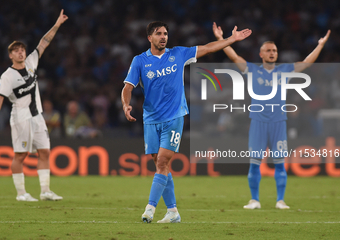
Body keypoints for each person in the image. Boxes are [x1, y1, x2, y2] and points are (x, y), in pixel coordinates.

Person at [121, 21, 252, 223]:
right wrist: (126, 105)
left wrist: (231, 40)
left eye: (165, 33)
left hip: (174, 116)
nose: (163, 37)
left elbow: (208, 48)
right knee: (159, 165)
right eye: (159, 34)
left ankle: (150, 209)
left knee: (163, 162)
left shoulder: (179, 54)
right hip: (150, 119)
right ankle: (173, 212)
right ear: (150, 38)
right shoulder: (139, 61)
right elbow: (128, 87)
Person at [213, 22, 331, 209]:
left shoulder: (284, 70)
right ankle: (254, 200)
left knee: (279, 163)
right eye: (268, 50)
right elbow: (234, 57)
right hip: (258, 121)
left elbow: (307, 63)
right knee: (254, 163)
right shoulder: (252, 70)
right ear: (261, 54)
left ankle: (280, 201)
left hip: (278, 122)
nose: (272, 53)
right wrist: (221, 39)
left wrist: (320, 45)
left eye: (274, 50)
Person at [0, 10, 68, 201]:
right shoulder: (7, 76)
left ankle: (45, 190)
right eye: (16, 50)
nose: (21, 52)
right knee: (20, 156)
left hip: (38, 117)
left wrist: (57, 24)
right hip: (21, 118)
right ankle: (21, 193)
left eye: (22, 49)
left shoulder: (31, 62)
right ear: (11, 55)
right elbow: (1, 99)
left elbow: (44, 43)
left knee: (45, 151)